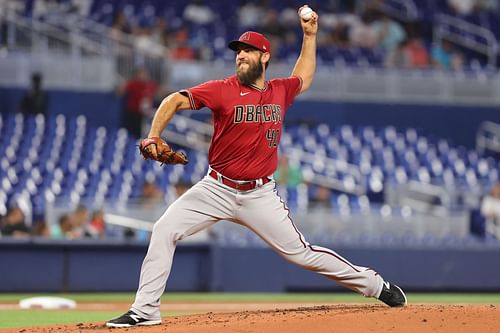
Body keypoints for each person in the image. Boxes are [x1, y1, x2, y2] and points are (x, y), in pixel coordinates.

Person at [107, 6, 406, 328]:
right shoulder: (221, 89)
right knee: (165, 229)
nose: (241, 56)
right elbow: (174, 100)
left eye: (248, 51)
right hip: (216, 187)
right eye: (238, 51)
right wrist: (154, 134)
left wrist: (309, 35)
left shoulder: (279, 90)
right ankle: (145, 310)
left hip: (259, 193)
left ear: (264, 57)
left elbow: (303, 76)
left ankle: (375, 285)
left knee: (301, 254)